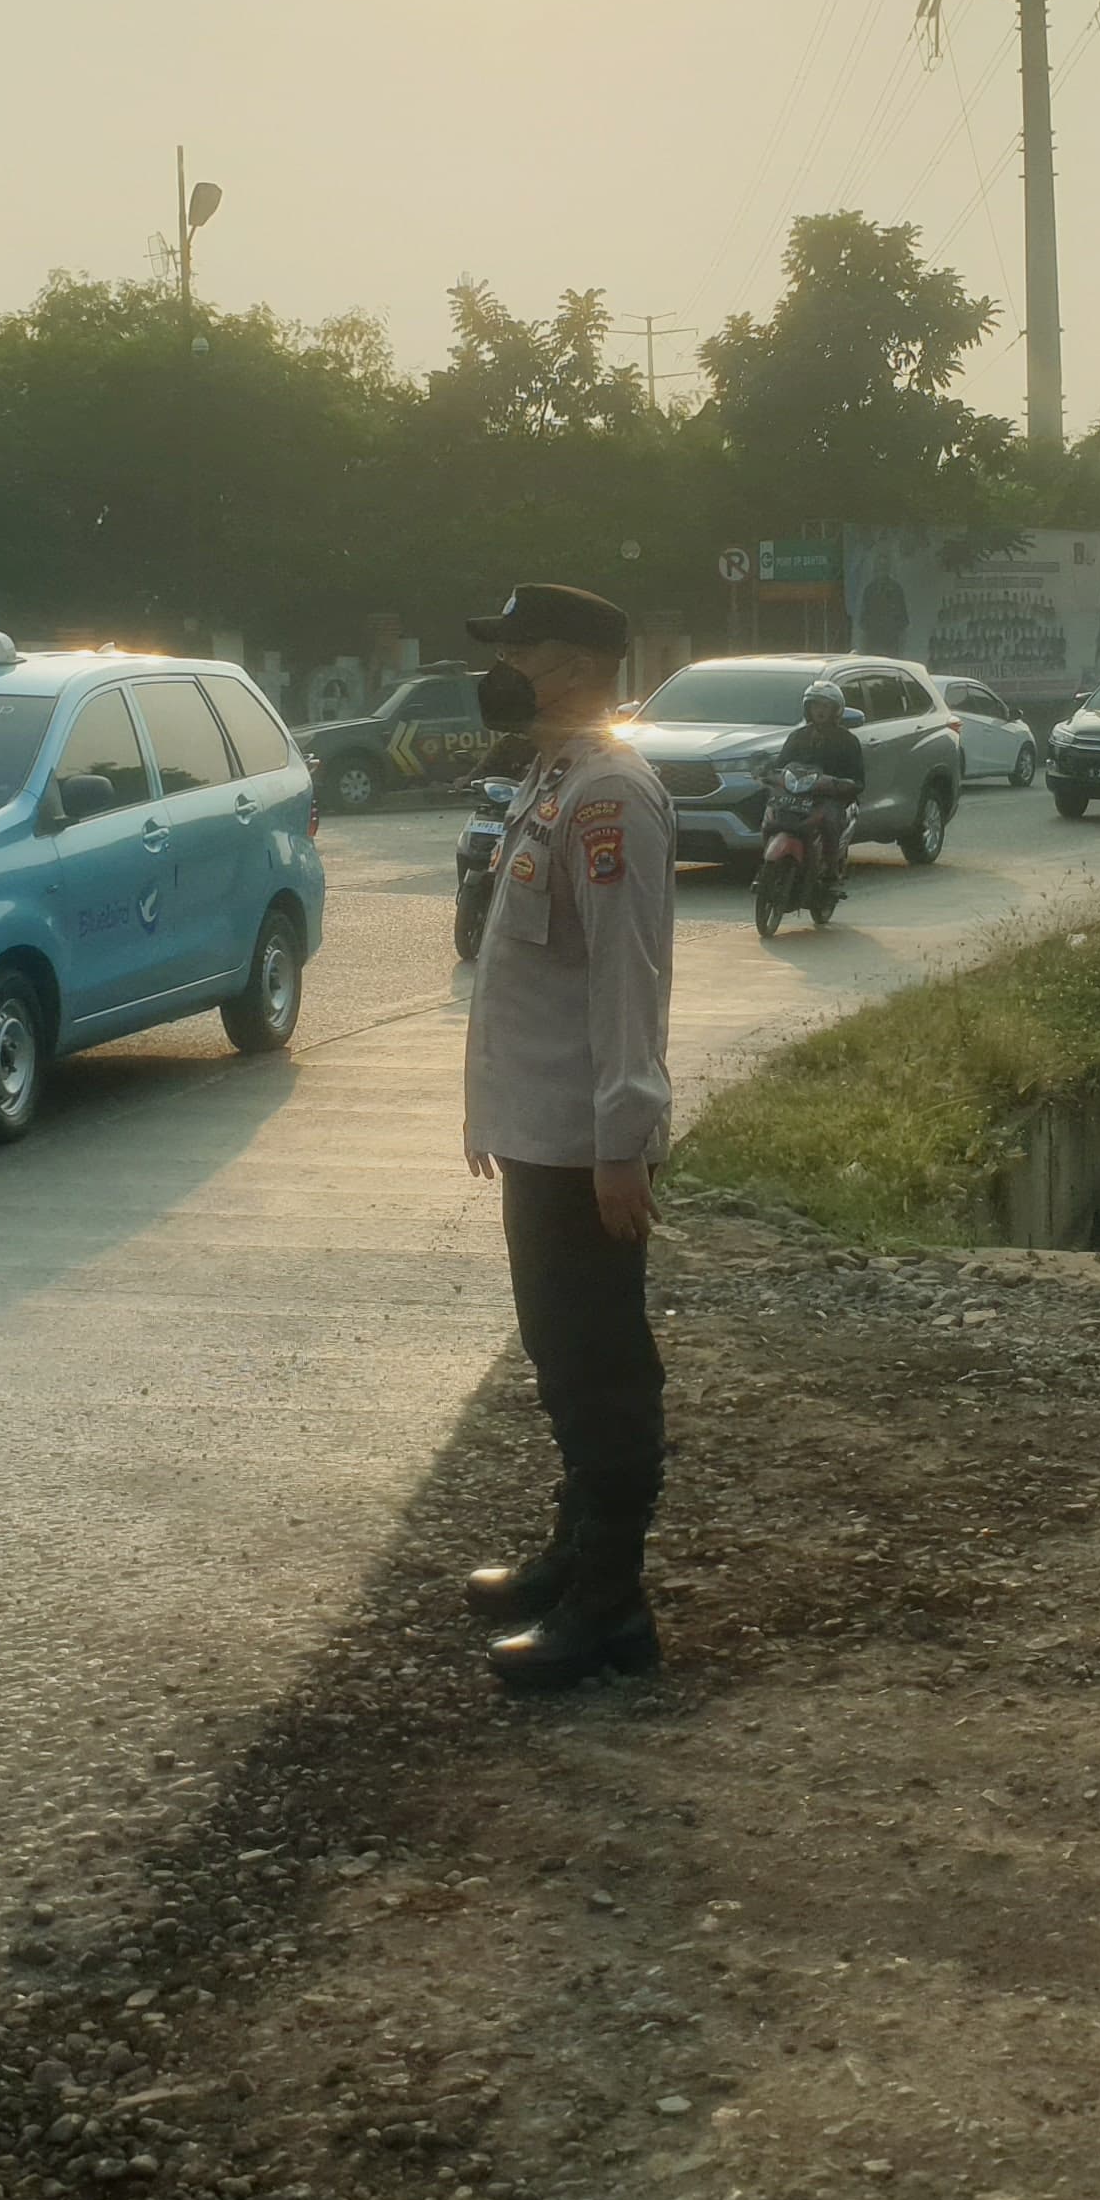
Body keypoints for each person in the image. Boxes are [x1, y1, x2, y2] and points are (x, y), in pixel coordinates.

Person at [454, 583, 676, 1692]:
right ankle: (572, 1554)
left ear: (582, 663)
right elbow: (517, 971)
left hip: (586, 1146)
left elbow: (626, 980)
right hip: (538, 1131)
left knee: (601, 1368)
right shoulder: (552, 778)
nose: (506, 669)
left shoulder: (610, 796)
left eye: (524, 648)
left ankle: (611, 1603)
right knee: (559, 1355)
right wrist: (487, 1109)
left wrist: (622, 1142)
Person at [778, 678, 868, 898]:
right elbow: (780, 766)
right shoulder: (797, 737)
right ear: (807, 708)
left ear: (835, 710)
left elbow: (857, 780)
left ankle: (830, 873)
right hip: (796, 796)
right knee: (771, 816)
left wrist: (839, 784)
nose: (819, 710)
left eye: (825, 706)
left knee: (828, 821)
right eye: (815, 705)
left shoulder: (847, 741)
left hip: (830, 798)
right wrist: (768, 775)